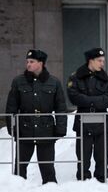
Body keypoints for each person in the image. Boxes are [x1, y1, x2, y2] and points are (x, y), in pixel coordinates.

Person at [5, 49, 67, 184]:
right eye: (27, 61)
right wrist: (13, 129)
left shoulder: (54, 82)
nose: (28, 64)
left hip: (46, 131)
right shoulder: (18, 81)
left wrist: (60, 129)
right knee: (20, 169)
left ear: (41, 63)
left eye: (32, 62)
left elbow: (61, 107)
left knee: (48, 169)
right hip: (24, 130)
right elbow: (11, 108)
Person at [67, 47, 108, 182]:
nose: (102, 63)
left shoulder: (106, 79)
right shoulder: (76, 77)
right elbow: (74, 97)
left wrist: (88, 101)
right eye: (99, 61)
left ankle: (101, 180)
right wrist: (96, 101)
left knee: (102, 155)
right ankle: (83, 179)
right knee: (83, 155)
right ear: (91, 61)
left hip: (101, 121)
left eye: (103, 61)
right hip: (83, 120)